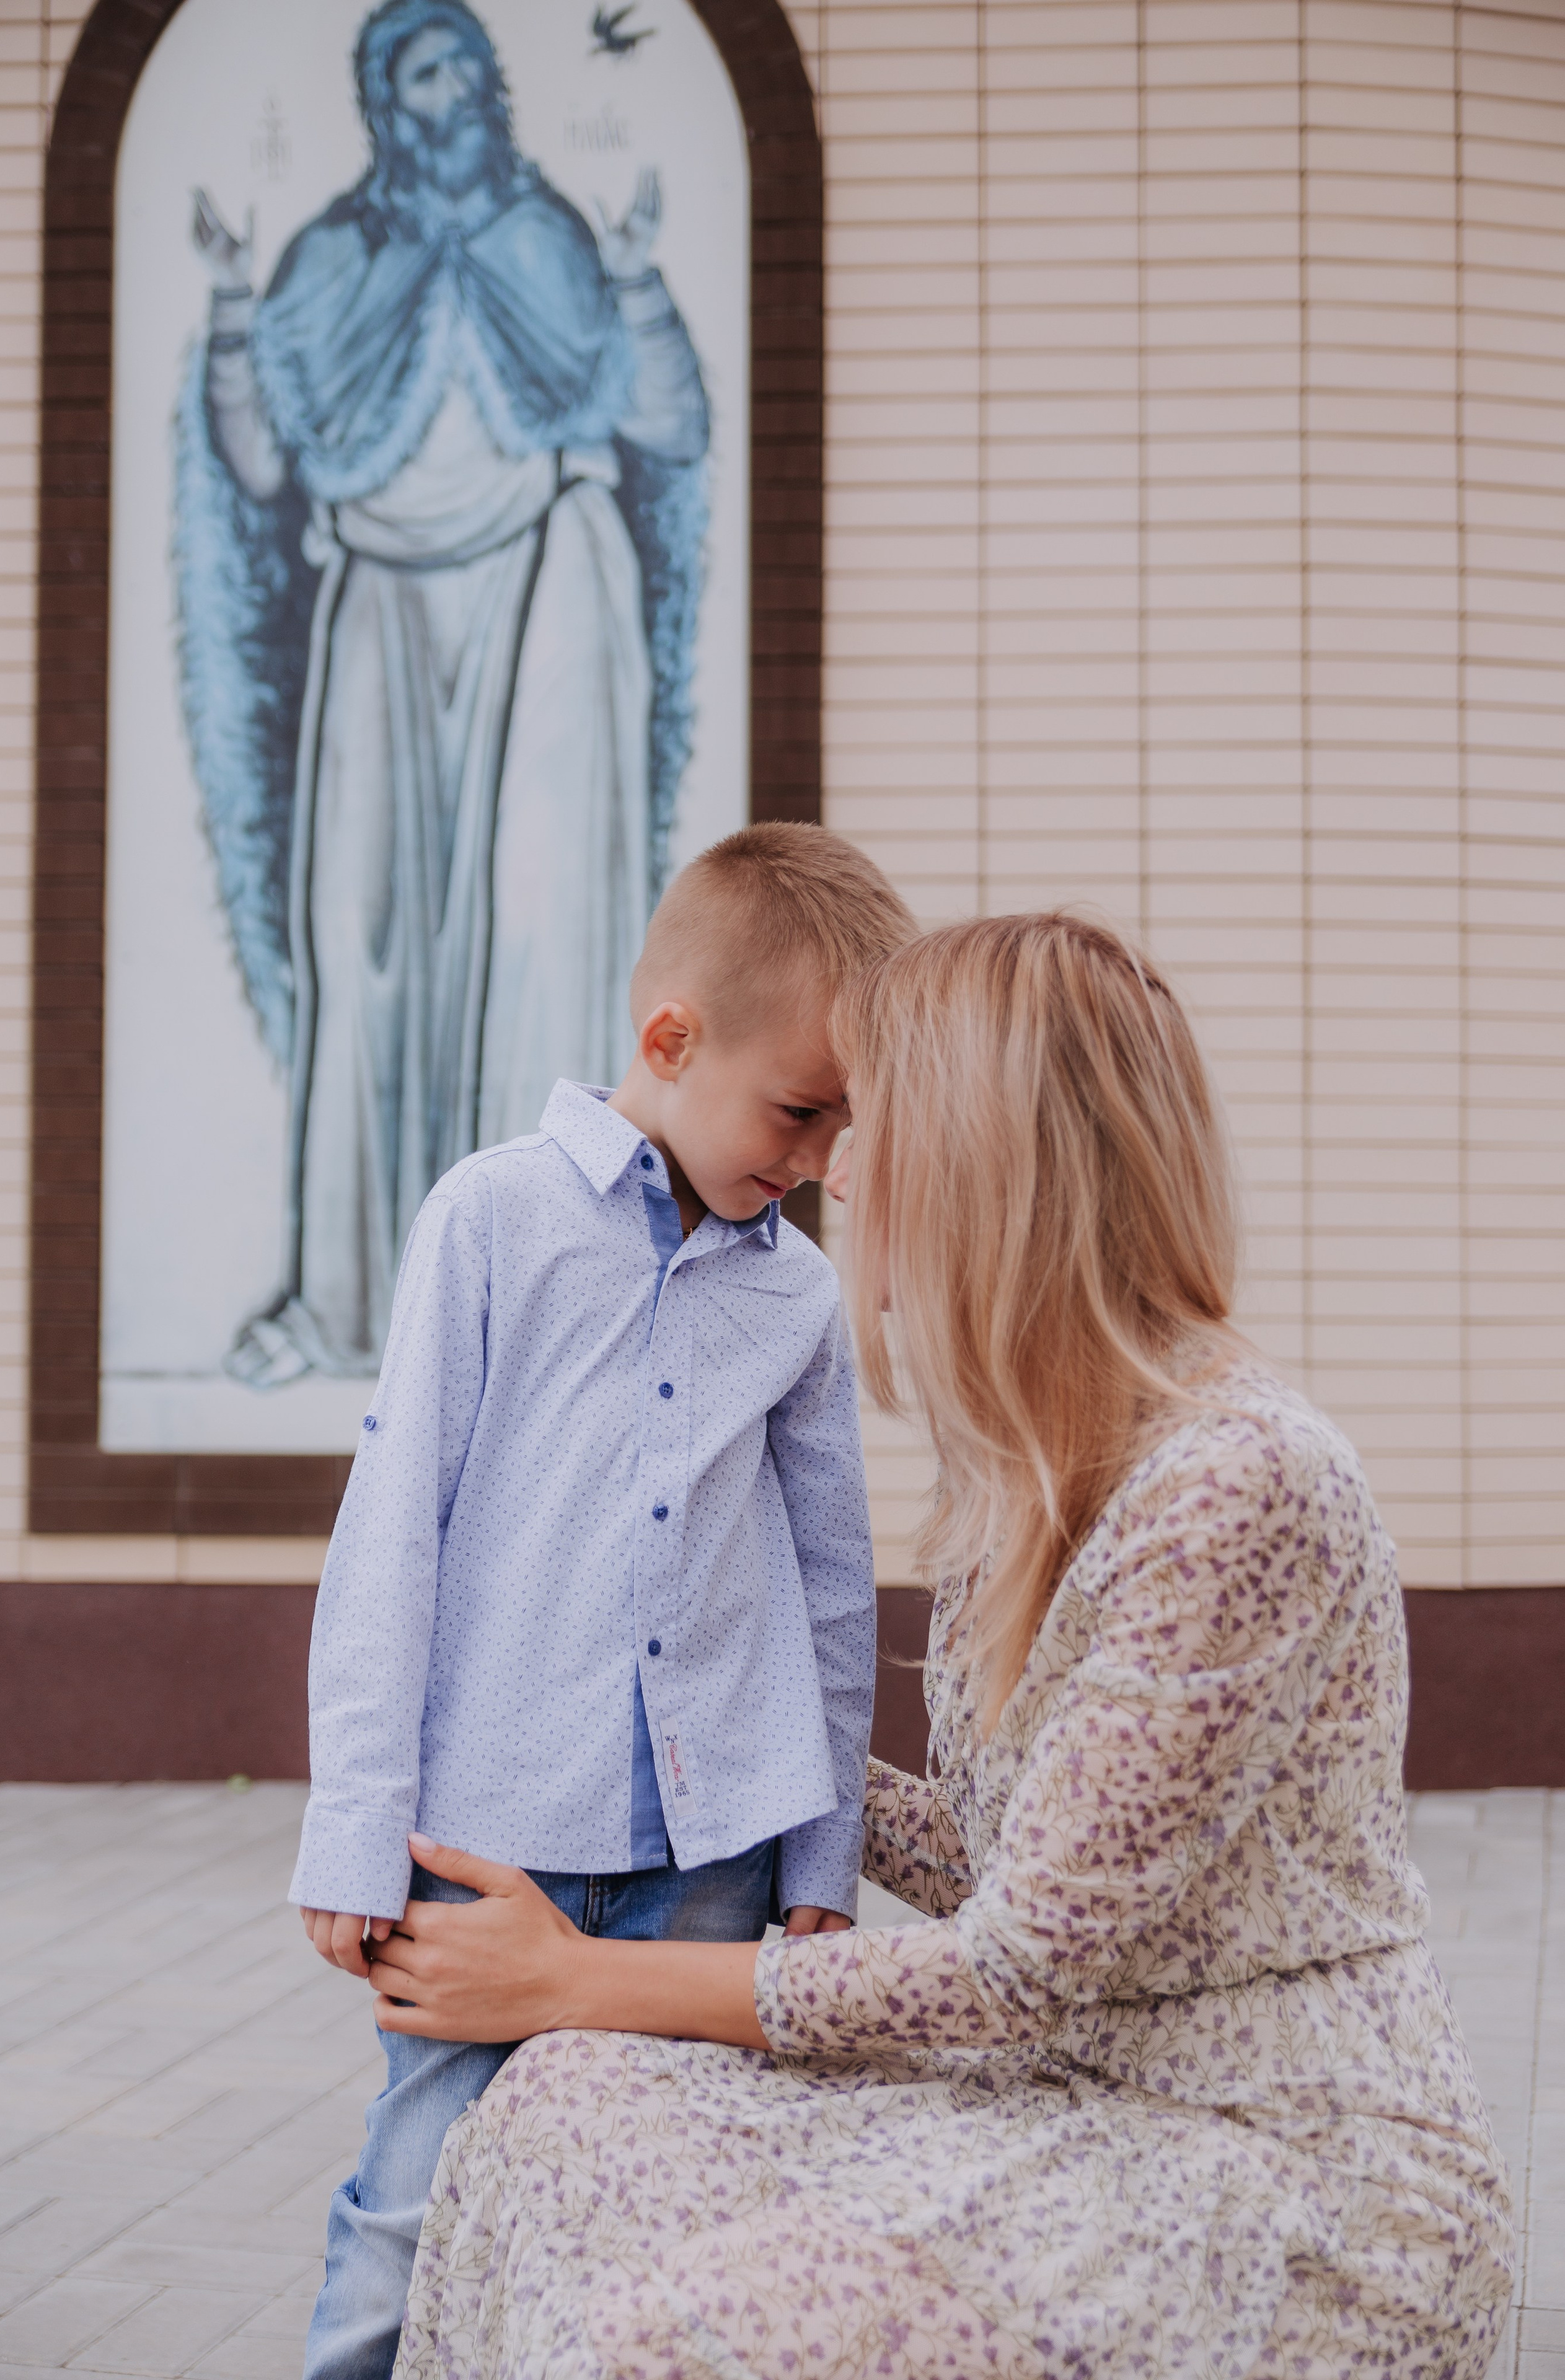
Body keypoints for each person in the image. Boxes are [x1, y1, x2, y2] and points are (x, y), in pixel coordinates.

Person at [368, 912, 1515, 2380]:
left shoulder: (1235, 1486)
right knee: (554, 2111)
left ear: (982, 1175)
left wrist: (572, 1972)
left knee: (673, 2314)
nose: (830, 1171)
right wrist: (673, 1711)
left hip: (1271, 2167)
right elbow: (1027, 1863)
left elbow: (1016, 1966)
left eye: (869, 1125)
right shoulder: (1029, 1477)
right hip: (1076, 2084)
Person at [288, 822, 917, 2380]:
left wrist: (823, 1847)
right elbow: (393, 1536)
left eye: (844, 1125)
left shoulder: (794, 1297)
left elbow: (835, 1594)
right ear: (668, 1039)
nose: (822, 1159)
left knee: (663, 2233)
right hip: (485, 1836)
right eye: (799, 1109)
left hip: (712, 1865)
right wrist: (354, 1825)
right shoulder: (491, 1222)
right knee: (412, 2223)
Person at [179, 0, 710, 1384]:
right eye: (426, 76)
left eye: (473, 76)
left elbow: (667, 422)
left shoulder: (550, 242)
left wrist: (641, 279)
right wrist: (234, 307)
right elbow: (254, 460)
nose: (458, 99)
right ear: (382, 102)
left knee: (534, 947)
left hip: (543, 599)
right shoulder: (334, 257)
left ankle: (545, 1310)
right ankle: (352, 1303)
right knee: (365, 945)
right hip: (380, 616)